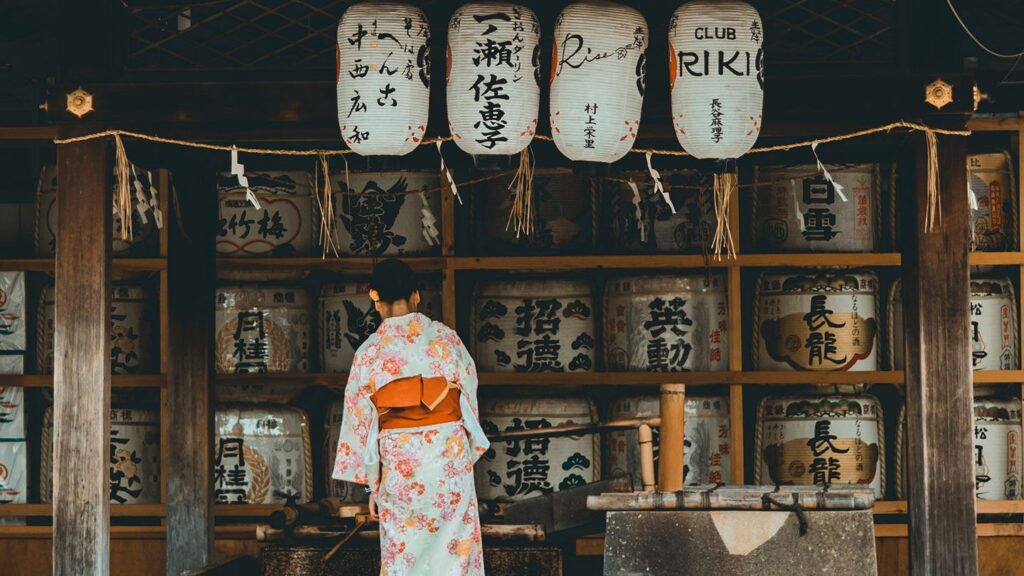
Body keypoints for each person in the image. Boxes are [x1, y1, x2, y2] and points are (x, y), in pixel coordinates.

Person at [332, 258, 489, 575]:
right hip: (448, 459)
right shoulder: (446, 340)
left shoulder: (370, 352)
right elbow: (468, 398)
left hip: (401, 466)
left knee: (404, 557)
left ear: (375, 298)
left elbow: (360, 424)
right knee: (455, 554)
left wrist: (373, 487)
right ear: (416, 295)